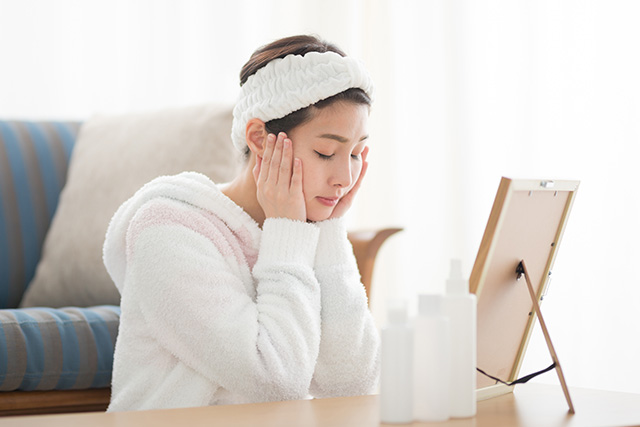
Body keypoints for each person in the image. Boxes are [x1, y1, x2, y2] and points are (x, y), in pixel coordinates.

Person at [103, 34, 380, 411]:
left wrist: (328, 231)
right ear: (260, 139)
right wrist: (287, 234)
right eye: (326, 152)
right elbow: (274, 381)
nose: (345, 177)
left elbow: (355, 382)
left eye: (356, 153)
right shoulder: (168, 229)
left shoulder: (304, 230)